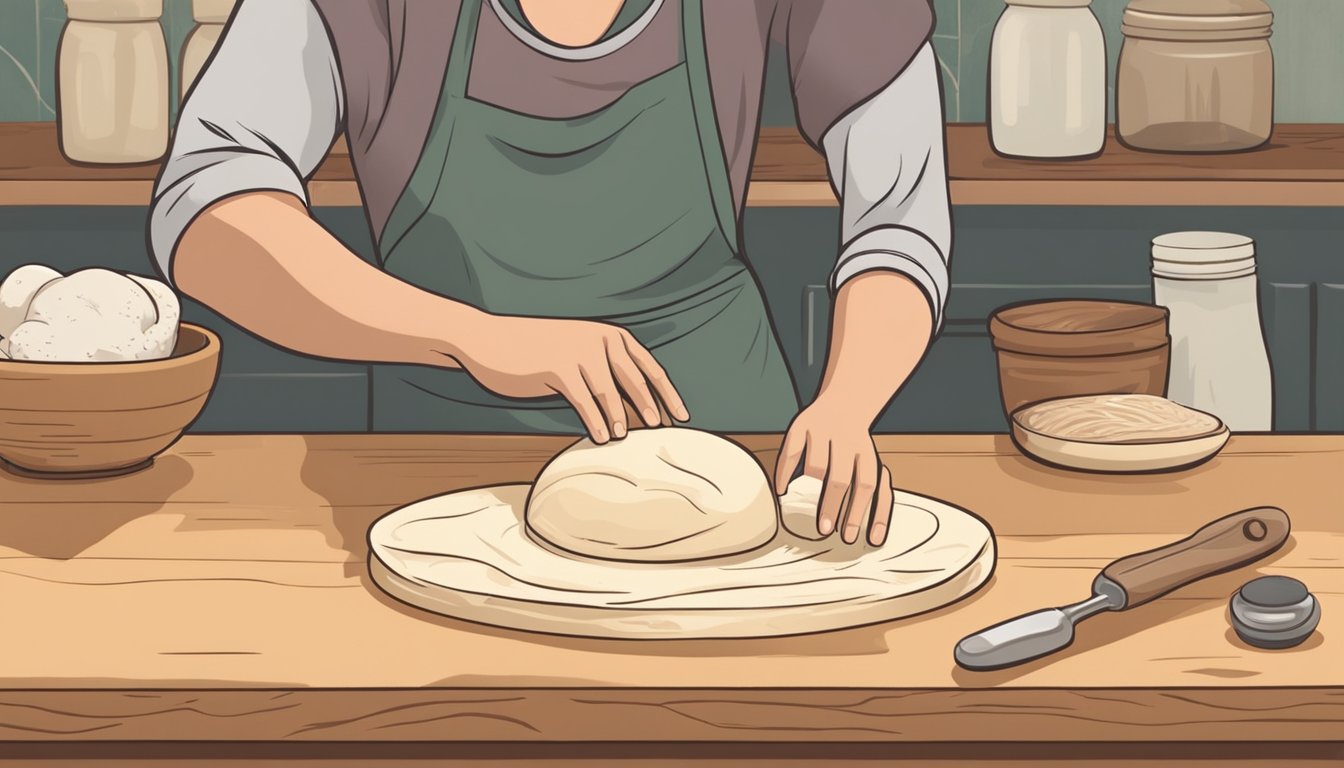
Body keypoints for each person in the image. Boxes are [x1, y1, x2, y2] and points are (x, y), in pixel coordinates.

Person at [149, 0, 952, 547]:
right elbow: (210, 207)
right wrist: (470, 335)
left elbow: (899, 219)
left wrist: (849, 403)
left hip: (735, 456)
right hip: (430, 469)